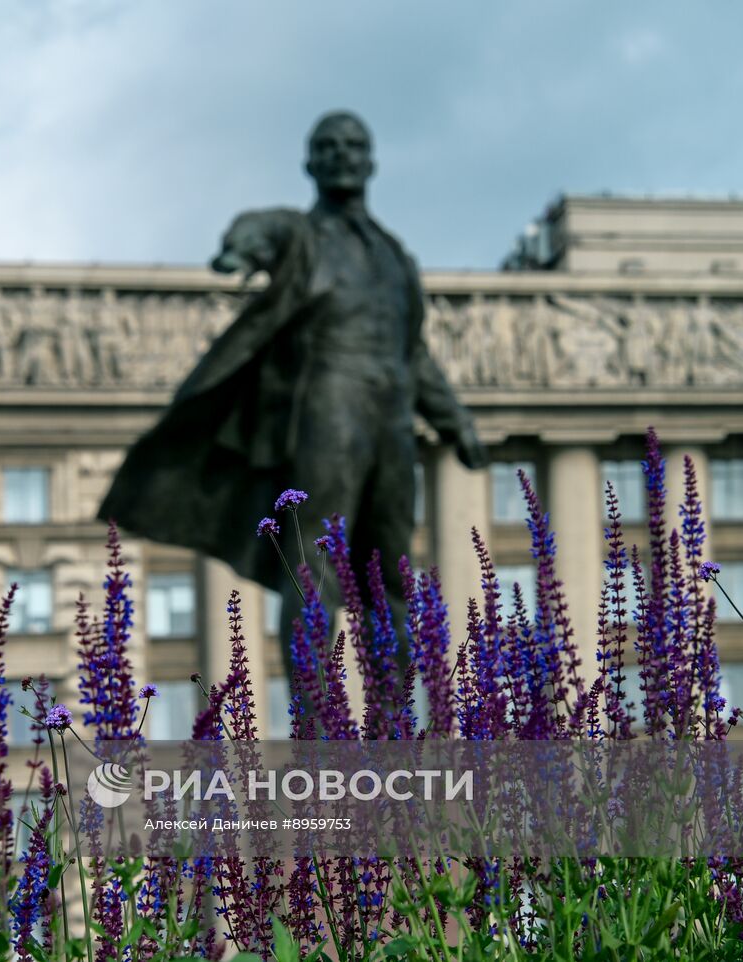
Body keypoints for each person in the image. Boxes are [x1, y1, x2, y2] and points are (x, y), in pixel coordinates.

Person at [98, 110, 488, 675]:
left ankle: (396, 731)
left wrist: (456, 423)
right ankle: (316, 735)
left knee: (392, 574)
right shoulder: (301, 234)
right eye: (327, 146)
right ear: (309, 163)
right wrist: (240, 250)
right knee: (314, 567)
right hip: (329, 402)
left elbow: (414, 350)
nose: (341, 155)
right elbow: (259, 228)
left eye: (353, 146)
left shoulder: (394, 255)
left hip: (393, 415)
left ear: (372, 161)